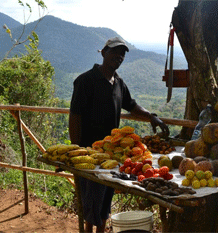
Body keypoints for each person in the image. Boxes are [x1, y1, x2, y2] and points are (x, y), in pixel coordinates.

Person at [69, 36, 169, 233]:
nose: (119, 57)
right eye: (115, 52)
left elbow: (130, 105)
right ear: (104, 52)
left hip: (112, 155)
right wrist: (77, 149)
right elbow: (75, 116)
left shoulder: (118, 83)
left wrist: (151, 116)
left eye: (122, 54)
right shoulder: (85, 81)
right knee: (90, 201)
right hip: (89, 153)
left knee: (105, 200)